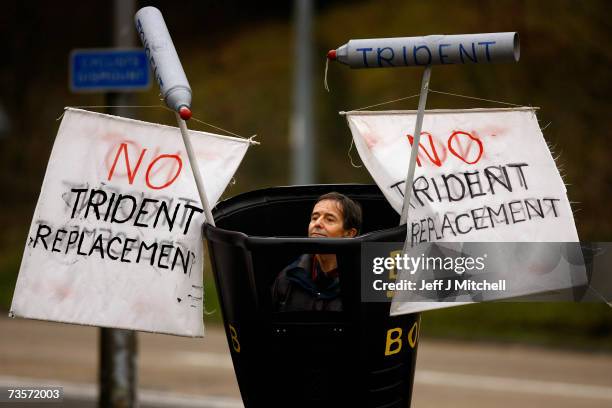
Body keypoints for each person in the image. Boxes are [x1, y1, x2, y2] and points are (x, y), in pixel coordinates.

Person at [271, 192, 362, 312]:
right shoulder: (287, 276)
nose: (317, 223)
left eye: (329, 219)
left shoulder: (369, 279)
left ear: (349, 234)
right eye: (314, 217)